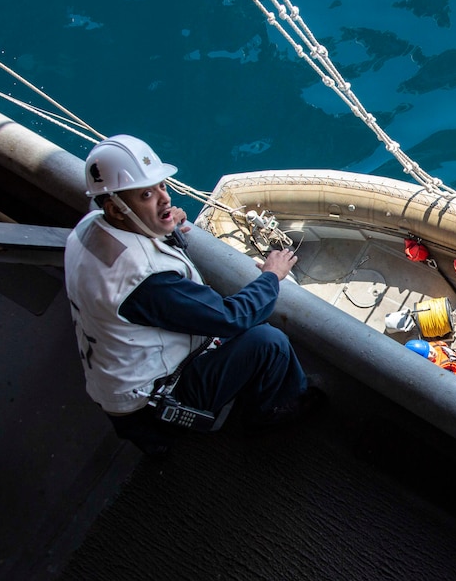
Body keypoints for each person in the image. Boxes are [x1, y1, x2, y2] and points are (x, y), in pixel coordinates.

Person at [64, 134, 320, 456]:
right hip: (155, 403)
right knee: (269, 343)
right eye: (147, 194)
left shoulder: (89, 228)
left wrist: (163, 230)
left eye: (161, 186)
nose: (164, 199)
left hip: (118, 388)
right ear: (116, 209)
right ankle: (268, 415)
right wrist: (272, 274)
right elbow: (232, 317)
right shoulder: (143, 282)